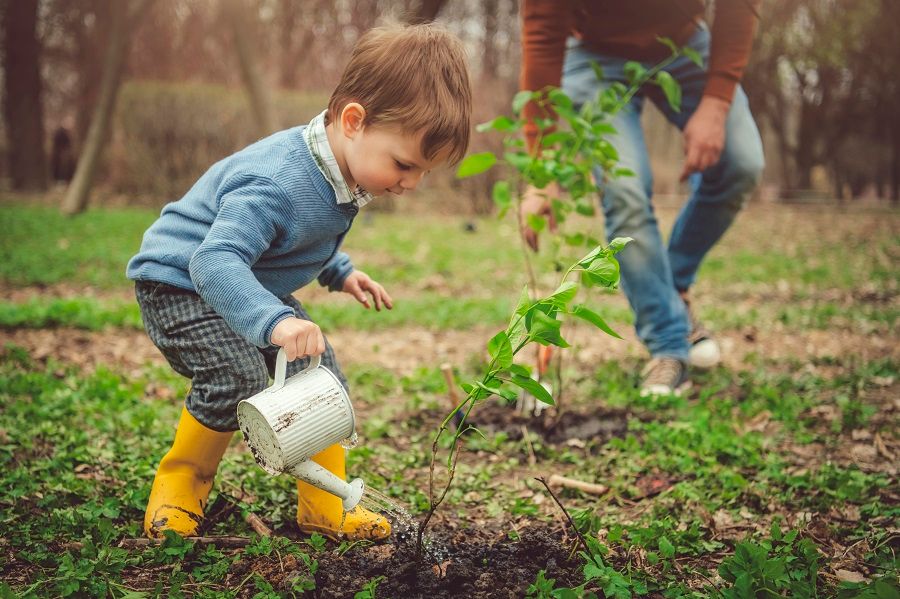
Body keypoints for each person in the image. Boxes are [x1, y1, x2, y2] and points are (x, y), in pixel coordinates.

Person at [126, 24, 472, 540]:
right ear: (354, 121)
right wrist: (274, 320)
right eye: (404, 164)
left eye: (424, 171)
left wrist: (341, 271)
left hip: (243, 279)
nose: (412, 183)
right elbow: (215, 259)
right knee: (236, 376)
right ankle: (180, 487)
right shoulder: (276, 182)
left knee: (320, 375)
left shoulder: (342, 170)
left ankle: (325, 505)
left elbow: (300, 236)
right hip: (181, 283)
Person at [519, 1, 765, 396]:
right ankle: (669, 344)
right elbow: (542, 36)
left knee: (741, 163)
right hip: (594, 53)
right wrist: (541, 170)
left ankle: (674, 292)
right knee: (625, 189)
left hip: (686, 42)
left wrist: (717, 103)